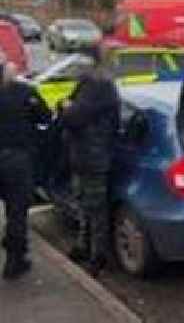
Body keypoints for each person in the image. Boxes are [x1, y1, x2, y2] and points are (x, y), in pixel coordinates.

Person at [60, 47, 120, 276]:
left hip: (94, 157)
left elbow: (74, 116)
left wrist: (66, 107)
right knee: (83, 204)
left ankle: (98, 256)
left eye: (78, 64)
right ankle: (83, 247)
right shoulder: (90, 84)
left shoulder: (99, 87)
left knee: (95, 209)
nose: (74, 68)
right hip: (83, 156)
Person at [0, 53, 52, 280]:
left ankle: (12, 245)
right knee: (17, 212)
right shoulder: (24, 92)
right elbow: (45, 117)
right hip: (16, 161)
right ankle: (14, 261)